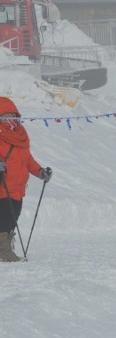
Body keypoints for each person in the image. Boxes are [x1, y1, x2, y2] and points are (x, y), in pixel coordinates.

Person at [0, 97, 51, 262]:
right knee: (5, 219)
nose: (11, 119)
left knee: (13, 219)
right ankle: (4, 252)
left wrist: (40, 172)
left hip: (18, 187)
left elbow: (27, 160)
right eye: (6, 115)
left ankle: (5, 247)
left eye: (13, 115)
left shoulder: (20, 136)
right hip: (2, 186)